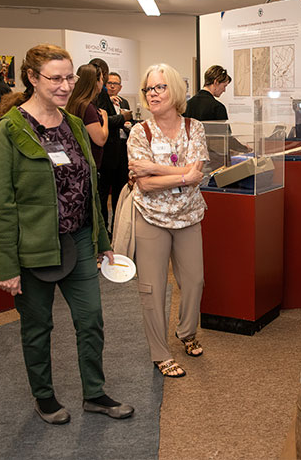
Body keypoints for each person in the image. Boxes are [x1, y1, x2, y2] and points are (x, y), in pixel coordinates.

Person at [0, 44, 133, 425]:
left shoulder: (74, 124)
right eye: (56, 78)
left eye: (69, 77)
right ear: (32, 78)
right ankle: (44, 396)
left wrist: (101, 242)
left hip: (80, 239)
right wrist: (5, 265)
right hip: (33, 246)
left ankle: (95, 393)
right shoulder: (9, 131)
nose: (66, 86)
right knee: (38, 326)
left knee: (91, 319)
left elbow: (89, 186)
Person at [127, 63, 208, 378]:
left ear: (174, 89)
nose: (153, 94)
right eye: (148, 89)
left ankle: (186, 333)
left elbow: (197, 173)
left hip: (189, 216)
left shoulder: (194, 127)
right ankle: (160, 353)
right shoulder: (139, 131)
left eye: (159, 87)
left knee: (194, 281)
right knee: (152, 288)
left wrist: (156, 169)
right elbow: (143, 184)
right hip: (151, 218)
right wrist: (183, 174)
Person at [89, 58, 133, 232]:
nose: (110, 86)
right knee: (101, 196)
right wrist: (123, 118)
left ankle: (116, 229)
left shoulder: (121, 101)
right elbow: (102, 123)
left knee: (118, 194)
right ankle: (105, 232)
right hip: (105, 155)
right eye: (107, 82)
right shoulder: (97, 99)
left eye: (115, 83)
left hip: (119, 154)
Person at [65, 64, 108, 167]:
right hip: (88, 163)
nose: (102, 82)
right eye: (101, 79)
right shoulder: (87, 107)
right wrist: (105, 118)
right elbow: (100, 140)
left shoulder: (75, 102)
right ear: (95, 82)